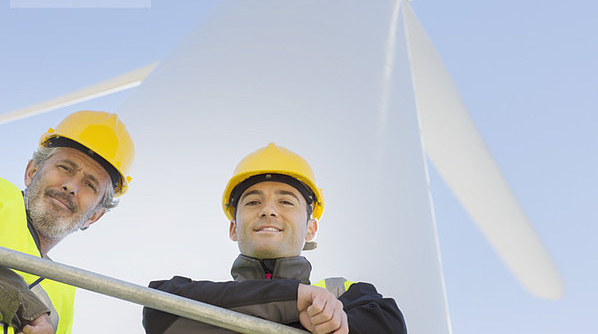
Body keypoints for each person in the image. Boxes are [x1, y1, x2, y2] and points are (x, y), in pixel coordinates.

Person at [143, 143, 406, 333]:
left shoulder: (344, 294)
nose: (268, 210)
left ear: (310, 229)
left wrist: (337, 324)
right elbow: (157, 309)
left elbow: (389, 325)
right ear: (233, 228)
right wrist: (293, 299)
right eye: (254, 201)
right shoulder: (195, 298)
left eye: (285, 201)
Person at [0, 111, 135, 334]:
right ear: (32, 172)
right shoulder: (2, 197)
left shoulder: (63, 294)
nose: (71, 187)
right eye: (65, 168)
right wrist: (24, 303)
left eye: (90, 185)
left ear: (94, 216)